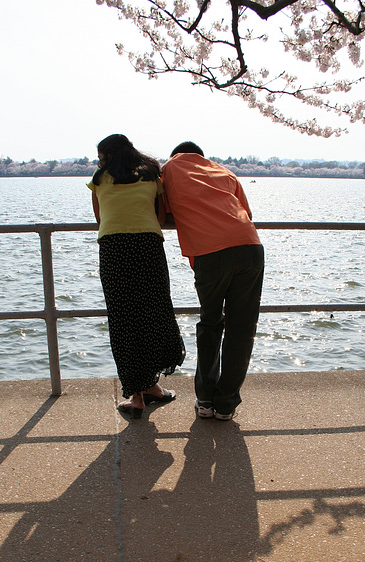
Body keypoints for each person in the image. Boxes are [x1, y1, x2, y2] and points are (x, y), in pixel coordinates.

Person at [161, 142, 264, 421]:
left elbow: (161, 212)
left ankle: (205, 400)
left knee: (210, 323)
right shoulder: (224, 171)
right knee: (241, 329)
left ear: (175, 155)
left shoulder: (168, 169)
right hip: (249, 246)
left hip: (210, 254)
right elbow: (247, 213)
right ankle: (226, 404)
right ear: (201, 157)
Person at [87, 134, 185, 418]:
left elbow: (99, 218)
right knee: (153, 313)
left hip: (115, 249)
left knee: (123, 319)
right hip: (147, 247)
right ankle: (150, 386)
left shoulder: (99, 178)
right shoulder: (151, 175)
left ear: (106, 157)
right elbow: (161, 215)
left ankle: (139, 394)